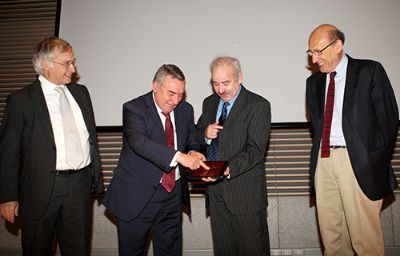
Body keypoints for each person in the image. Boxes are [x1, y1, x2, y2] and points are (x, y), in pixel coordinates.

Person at [0, 37, 104, 255]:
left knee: (78, 250)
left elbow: (90, 140)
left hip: (80, 186)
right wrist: (8, 196)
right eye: (66, 63)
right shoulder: (21, 100)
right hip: (41, 188)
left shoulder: (81, 93)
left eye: (73, 62)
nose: (73, 69)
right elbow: (8, 152)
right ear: (45, 64)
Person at [306, 24, 398, 256]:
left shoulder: (369, 71)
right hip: (324, 162)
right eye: (311, 53)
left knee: (365, 241)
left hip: (357, 161)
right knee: (332, 240)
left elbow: (388, 121)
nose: (315, 59)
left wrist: (372, 159)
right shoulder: (313, 83)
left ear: (338, 45)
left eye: (319, 51)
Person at [104, 64, 208, 256]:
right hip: (137, 196)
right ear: (155, 86)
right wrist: (179, 157)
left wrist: (193, 152)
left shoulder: (185, 110)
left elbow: (191, 140)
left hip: (172, 195)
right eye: (171, 93)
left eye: (180, 94)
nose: (175, 101)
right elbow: (140, 143)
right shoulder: (134, 109)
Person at [195, 56, 271, 256]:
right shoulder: (209, 103)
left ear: (240, 78)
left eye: (226, 83)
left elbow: (255, 150)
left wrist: (228, 168)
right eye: (216, 83)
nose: (221, 89)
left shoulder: (258, 105)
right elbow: (196, 134)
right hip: (215, 193)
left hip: (245, 194)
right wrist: (205, 133)